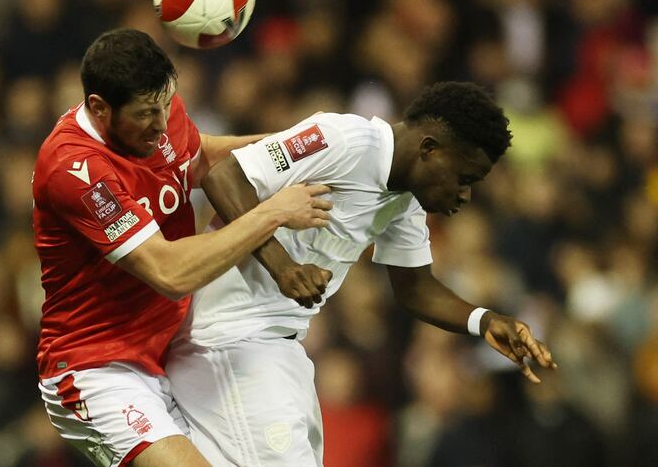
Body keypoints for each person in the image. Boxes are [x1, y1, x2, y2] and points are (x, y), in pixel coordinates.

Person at [166, 81, 558, 467]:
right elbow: (224, 176)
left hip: (280, 347)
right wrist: (281, 264)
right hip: (228, 336)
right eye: (464, 178)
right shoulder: (344, 139)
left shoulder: (404, 201)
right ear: (429, 150)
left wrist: (483, 320)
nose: (465, 195)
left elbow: (414, 288)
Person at [32, 28, 332, 467]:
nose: (162, 121)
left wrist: (304, 144)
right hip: (94, 369)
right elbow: (170, 274)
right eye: (146, 113)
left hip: (167, 356)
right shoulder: (75, 170)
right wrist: (273, 212)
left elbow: (200, 157)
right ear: (99, 107)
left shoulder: (160, 113)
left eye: (166, 103)